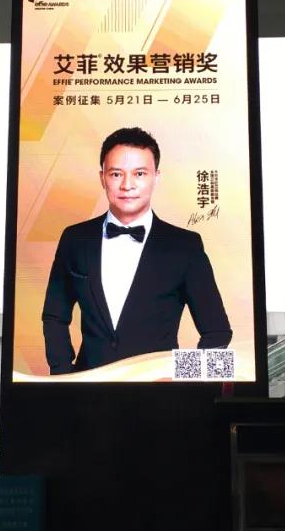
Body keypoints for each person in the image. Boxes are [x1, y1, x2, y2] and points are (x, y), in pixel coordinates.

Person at [42, 126, 231, 374]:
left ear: (156, 177)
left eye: (140, 173)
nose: (127, 185)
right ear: (102, 178)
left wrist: (179, 381)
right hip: (88, 389)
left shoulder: (185, 246)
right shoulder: (75, 239)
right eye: (116, 174)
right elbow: (54, 316)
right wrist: (64, 377)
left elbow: (218, 332)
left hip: (159, 392)